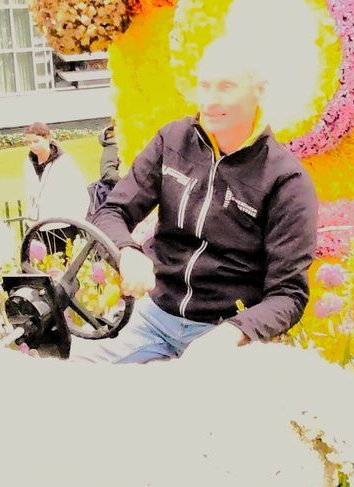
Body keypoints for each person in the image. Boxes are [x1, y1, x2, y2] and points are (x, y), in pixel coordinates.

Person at [77, 40, 318, 364]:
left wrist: (234, 332)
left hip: (225, 333)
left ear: (259, 91)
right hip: (154, 315)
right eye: (204, 86)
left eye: (226, 87)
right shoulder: (173, 140)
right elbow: (113, 210)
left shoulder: (286, 180)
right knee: (80, 374)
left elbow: (289, 294)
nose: (210, 100)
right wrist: (128, 253)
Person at [23, 122, 90, 226]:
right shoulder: (29, 162)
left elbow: (80, 194)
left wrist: (76, 221)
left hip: (62, 225)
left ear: (48, 138)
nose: (32, 146)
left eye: (36, 141)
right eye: (29, 142)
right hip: (35, 225)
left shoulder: (64, 163)